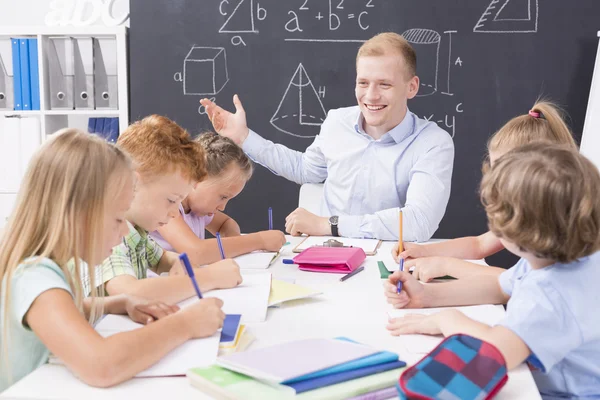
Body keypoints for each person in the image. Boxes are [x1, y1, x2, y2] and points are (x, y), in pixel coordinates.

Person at [0, 130, 225, 391]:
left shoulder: (45, 268)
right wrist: (186, 324)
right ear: (77, 213)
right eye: (118, 219)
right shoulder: (33, 274)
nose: (123, 233)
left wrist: (114, 303)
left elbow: (60, 309)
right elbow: (101, 364)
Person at [384, 143, 600, 399]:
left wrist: (448, 320)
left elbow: (496, 351)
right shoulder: (557, 257)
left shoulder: (549, 294)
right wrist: (427, 295)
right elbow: (500, 287)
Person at [201, 32, 454, 241]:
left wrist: (330, 224)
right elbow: (306, 170)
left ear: (412, 87)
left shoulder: (433, 143)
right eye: (363, 83)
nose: (371, 96)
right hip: (328, 251)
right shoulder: (337, 121)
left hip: (391, 259)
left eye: (384, 85)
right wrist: (244, 137)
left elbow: (418, 222)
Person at [391, 101, 578, 281]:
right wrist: (423, 251)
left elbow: (521, 281)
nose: (495, 182)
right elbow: (479, 245)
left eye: (502, 173)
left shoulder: (562, 222)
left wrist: (447, 266)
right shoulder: (522, 207)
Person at [96, 115, 242, 304]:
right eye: (171, 200)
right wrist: (209, 277)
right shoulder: (106, 234)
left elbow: (162, 258)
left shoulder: (137, 231)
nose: (175, 213)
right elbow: (129, 292)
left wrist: (180, 263)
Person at [151, 132, 286, 266]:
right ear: (197, 177)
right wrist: (259, 240)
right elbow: (196, 252)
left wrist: (235, 244)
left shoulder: (198, 211)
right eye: (223, 197)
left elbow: (226, 223)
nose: (222, 207)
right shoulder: (166, 207)